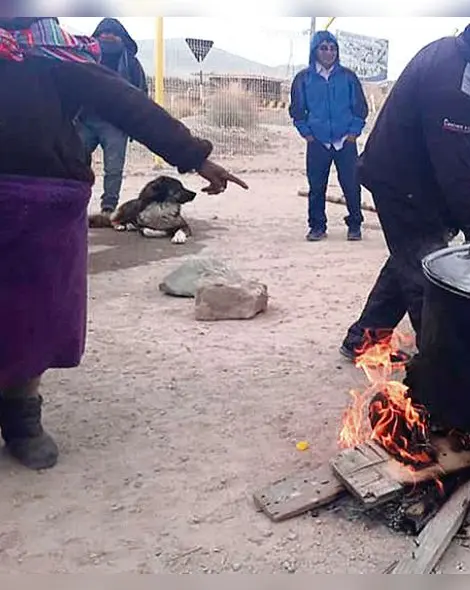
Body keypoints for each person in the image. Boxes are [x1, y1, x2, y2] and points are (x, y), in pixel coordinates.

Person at [0, 17, 247, 470]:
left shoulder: (55, 54)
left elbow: (129, 105)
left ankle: (21, 417)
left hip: (41, 206)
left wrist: (196, 158)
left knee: (32, 316)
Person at [339, 17, 470, 361]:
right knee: (425, 272)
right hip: (402, 182)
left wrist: (458, 212)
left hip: (426, 183)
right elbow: (453, 161)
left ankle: (364, 340)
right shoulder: (450, 74)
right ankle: (440, 366)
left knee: (408, 258)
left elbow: (467, 152)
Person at [290, 31, 369, 242]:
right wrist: (307, 135)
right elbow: (297, 111)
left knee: (351, 184)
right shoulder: (303, 79)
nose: (328, 52)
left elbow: (360, 108)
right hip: (318, 142)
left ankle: (354, 224)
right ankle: (317, 226)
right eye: (323, 48)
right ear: (315, 51)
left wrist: (353, 133)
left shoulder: (348, 77)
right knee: (317, 186)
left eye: (332, 48)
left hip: (345, 142)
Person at [76, 18, 147, 217]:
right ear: (96, 36)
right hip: (85, 120)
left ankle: (108, 207)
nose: (107, 36)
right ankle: (77, 203)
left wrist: (134, 124)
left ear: (122, 37)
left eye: (112, 33)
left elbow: (140, 93)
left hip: (116, 123)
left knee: (114, 169)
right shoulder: (85, 57)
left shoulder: (131, 62)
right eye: (103, 33)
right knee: (75, 163)